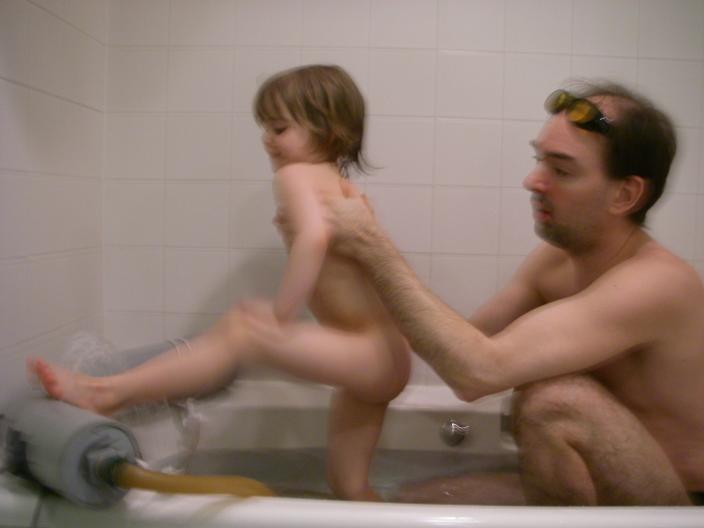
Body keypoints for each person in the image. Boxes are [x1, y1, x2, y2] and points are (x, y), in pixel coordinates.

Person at [268, 81, 704, 506]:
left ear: (625, 194)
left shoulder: (656, 285)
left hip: (673, 506)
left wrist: (373, 247)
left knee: (553, 398)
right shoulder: (554, 263)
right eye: (539, 160)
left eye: (561, 170)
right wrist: (351, 270)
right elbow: (456, 346)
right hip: (597, 485)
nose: (532, 181)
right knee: (413, 504)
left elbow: (477, 373)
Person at [28, 65, 411, 501]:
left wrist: (283, 315)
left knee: (245, 327)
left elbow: (314, 238)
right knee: (351, 488)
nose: (267, 139)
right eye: (265, 127)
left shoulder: (295, 176)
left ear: (328, 131)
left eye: (280, 128)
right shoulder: (341, 188)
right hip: (387, 355)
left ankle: (106, 393)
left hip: (366, 354)